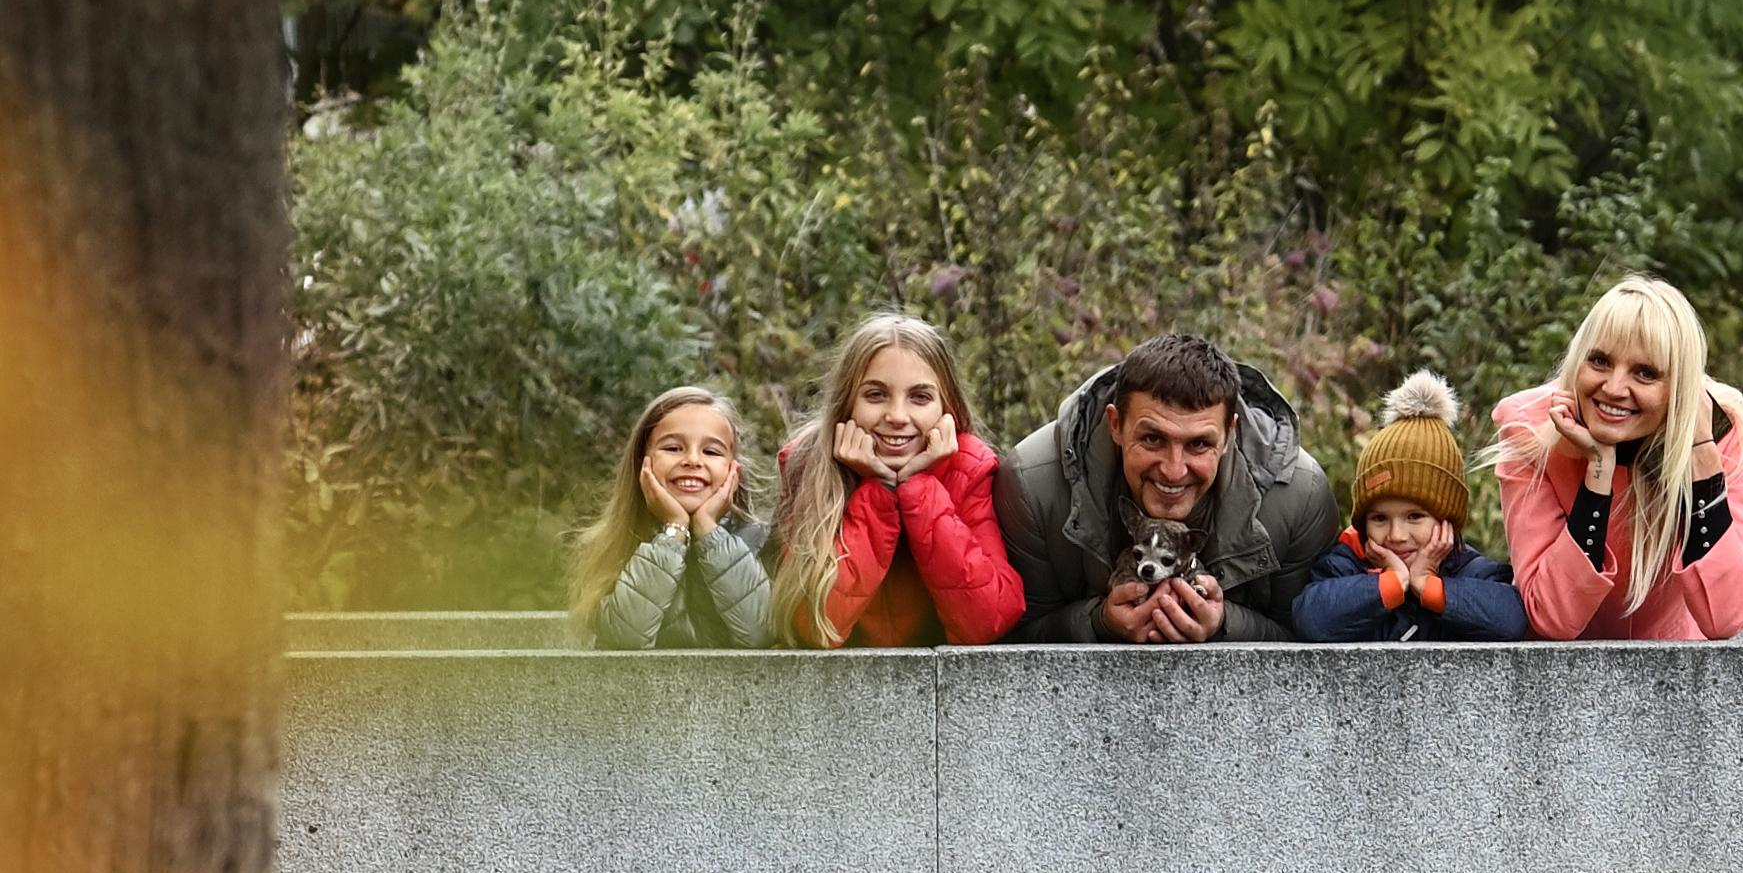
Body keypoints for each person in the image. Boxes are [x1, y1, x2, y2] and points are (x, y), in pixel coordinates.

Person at [996, 330, 1338, 643]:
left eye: (1199, 445)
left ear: (1229, 434)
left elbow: (1315, 645)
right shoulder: (1034, 485)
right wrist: (1099, 623)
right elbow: (1007, 640)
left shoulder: (1298, 496)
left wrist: (1224, 624)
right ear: (1115, 424)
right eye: (1152, 438)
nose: (1174, 471)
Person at [1495, 276, 1743, 643]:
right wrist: (1599, 469)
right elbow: (1552, 617)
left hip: (1674, 673)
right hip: (1555, 678)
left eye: (1645, 373)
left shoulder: (1718, 429)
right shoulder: (1529, 427)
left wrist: (1700, 453)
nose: (1614, 389)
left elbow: (1726, 616)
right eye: (1600, 361)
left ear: (1680, 389)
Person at [768, 312, 1022, 649]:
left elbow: (988, 620)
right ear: (847, 405)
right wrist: (881, 490)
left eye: (920, 397)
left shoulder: (968, 468)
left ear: (947, 409)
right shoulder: (812, 465)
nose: (897, 417)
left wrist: (918, 488)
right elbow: (812, 624)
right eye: (875, 395)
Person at [1293, 373, 1525, 644]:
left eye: (1414, 517)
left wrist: (1429, 585)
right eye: (1379, 518)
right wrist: (1390, 583)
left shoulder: (1467, 568)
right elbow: (1310, 620)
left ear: (1446, 520)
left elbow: (1512, 619)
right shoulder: (1347, 564)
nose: (1396, 535)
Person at [571, 384, 773, 648]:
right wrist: (674, 531)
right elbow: (625, 638)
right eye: (673, 448)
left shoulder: (763, 540)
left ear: (733, 469)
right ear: (643, 462)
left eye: (711, 451)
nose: (692, 460)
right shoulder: (614, 542)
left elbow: (762, 634)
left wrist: (709, 532)